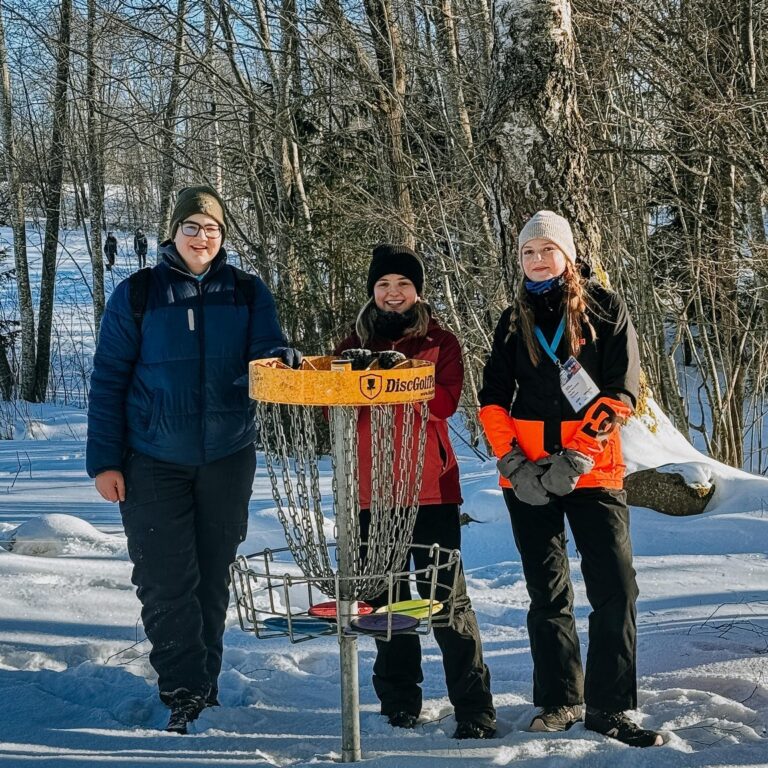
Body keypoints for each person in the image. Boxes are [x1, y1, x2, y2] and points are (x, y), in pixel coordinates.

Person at [86, 185, 301, 734]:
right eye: (191, 227)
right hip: (151, 458)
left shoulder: (247, 291)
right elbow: (108, 378)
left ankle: (204, 684)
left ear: (222, 236)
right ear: (174, 232)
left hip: (227, 456)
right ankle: (184, 693)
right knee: (165, 579)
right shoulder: (139, 293)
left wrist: (278, 359)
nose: (201, 237)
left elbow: (266, 347)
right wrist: (105, 462)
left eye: (211, 229)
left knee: (210, 576)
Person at [478, 210, 662, 748]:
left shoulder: (605, 309)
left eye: (547, 249)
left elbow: (622, 391)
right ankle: (559, 700)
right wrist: (513, 463)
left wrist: (576, 457)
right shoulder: (511, 320)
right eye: (528, 252)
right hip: (527, 479)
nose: (538, 260)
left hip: (592, 471)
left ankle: (610, 708)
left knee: (616, 588)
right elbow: (492, 398)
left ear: (568, 255)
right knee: (547, 592)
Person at [334, 243, 496, 740]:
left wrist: (394, 377)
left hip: (431, 492)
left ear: (418, 291)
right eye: (383, 284)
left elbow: (444, 402)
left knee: (445, 599)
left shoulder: (440, 342)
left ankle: (474, 708)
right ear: (372, 291)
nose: (393, 292)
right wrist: (359, 376)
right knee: (385, 601)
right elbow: (332, 409)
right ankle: (399, 704)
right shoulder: (350, 346)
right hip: (370, 493)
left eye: (403, 284)